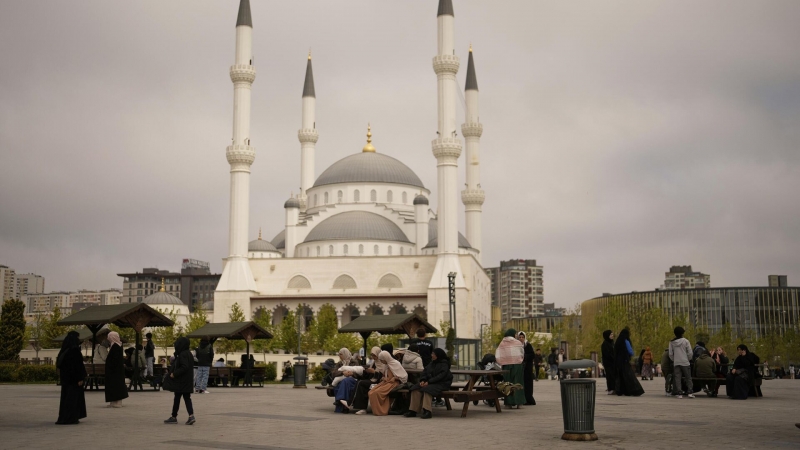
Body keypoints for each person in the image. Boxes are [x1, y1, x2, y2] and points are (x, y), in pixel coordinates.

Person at [405, 348, 453, 419]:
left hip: (442, 384)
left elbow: (441, 376)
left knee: (427, 390)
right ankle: (413, 410)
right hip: (430, 383)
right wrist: (423, 380)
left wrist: (429, 382)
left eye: (433, 354)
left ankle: (427, 411)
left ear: (438, 355)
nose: (431, 355)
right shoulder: (431, 363)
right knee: (415, 388)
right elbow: (425, 372)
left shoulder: (444, 364)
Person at [361, 351, 408, 416]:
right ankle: (378, 410)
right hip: (386, 382)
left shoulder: (395, 363)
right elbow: (384, 375)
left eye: (382, 360)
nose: (381, 361)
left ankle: (382, 411)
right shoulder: (386, 365)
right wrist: (383, 378)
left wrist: (395, 378)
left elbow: (404, 376)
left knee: (376, 393)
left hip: (393, 383)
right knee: (371, 392)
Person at [56, 330, 87, 425]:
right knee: (73, 398)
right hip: (74, 380)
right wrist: (80, 378)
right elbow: (77, 366)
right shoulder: (74, 350)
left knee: (66, 398)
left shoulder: (64, 350)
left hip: (66, 379)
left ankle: (64, 417)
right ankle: (71, 417)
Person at [164, 337, 196, 425]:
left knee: (177, 398)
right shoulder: (189, 353)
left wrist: (174, 374)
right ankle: (191, 415)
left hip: (181, 381)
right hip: (187, 380)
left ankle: (174, 417)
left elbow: (184, 367)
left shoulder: (183, 354)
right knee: (186, 398)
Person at [496, 328, 525, 408]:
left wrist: (502, 362)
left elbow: (498, 354)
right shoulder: (518, 342)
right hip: (517, 365)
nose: (516, 335)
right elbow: (522, 353)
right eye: (515, 334)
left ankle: (508, 403)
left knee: (507, 384)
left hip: (506, 366)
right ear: (512, 334)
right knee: (517, 383)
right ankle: (519, 402)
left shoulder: (502, 343)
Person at [350, 347, 383, 413]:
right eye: (372, 355)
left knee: (361, 383)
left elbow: (383, 375)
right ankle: (355, 404)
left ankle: (351, 403)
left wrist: (374, 372)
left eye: (374, 355)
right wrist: (367, 371)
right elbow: (370, 375)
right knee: (360, 382)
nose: (373, 357)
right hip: (372, 380)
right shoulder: (374, 363)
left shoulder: (382, 362)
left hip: (379, 382)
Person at [613, 328, 644, 396]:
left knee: (621, 377)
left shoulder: (618, 341)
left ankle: (621, 391)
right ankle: (634, 390)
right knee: (629, 376)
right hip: (625, 361)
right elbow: (630, 351)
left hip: (618, 362)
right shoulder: (625, 341)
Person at [669, 326, 694, 399]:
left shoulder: (671, 342)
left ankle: (679, 393)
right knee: (688, 377)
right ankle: (690, 392)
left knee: (677, 377)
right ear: (682, 333)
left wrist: (674, 359)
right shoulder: (686, 341)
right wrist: (688, 359)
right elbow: (690, 352)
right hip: (685, 361)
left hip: (676, 362)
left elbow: (670, 354)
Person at [104, 331, 128, 408]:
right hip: (115, 370)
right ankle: (114, 401)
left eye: (109, 337)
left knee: (116, 385)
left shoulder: (116, 346)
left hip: (115, 370)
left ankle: (118, 402)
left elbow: (114, 359)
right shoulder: (116, 345)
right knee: (113, 385)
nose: (108, 338)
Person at [518, 331, 536, 405]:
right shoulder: (517, 346)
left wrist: (525, 356)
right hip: (520, 368)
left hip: (527, 368)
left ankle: (528, 399)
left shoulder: (527, 345)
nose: (521, 339)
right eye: (520, 337)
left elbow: (532, 355)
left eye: (522, 337)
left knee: (528, 384)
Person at [601, 330, 616, 395]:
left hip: (613, 362)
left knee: (614, 375)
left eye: (612, 334)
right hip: (608, 363)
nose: (612, 336)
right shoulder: (605, 344)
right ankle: (610, 389)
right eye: (611, 335)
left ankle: (615, 388)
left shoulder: (612, 343)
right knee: (610, 376)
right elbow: (607, 354)